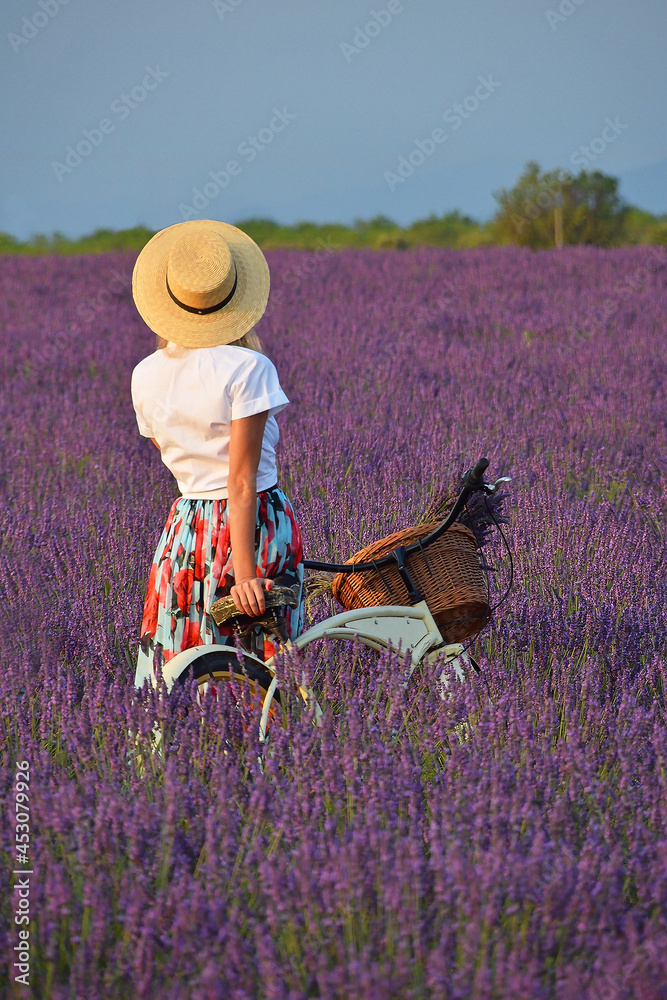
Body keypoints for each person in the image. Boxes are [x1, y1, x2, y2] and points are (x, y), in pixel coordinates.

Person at [129, 219, 304, 689]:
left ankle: (174, 756)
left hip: (185, 531)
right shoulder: (249, 368)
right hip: (255, 525)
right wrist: (245, 573)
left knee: (181, 655)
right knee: (264, 667)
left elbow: (166, 449)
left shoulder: (145, 374)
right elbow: (242, 482)